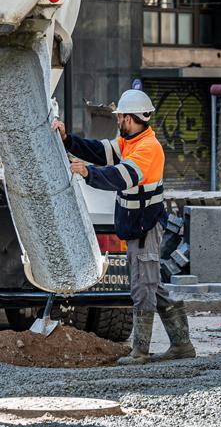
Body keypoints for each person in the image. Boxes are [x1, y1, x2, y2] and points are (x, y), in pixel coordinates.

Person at [52, 88, 195, 365]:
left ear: (129, 118)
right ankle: (182, 344)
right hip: (136, 227)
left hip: (145, 227)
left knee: (143, 286)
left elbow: (122, 176)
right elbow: (101, 150)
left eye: (120, 117)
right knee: (150, 284)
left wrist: (87, 172)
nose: (118, 121)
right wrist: (68, 140)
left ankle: (140, 351)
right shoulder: (130, 142)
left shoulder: (148, 148)